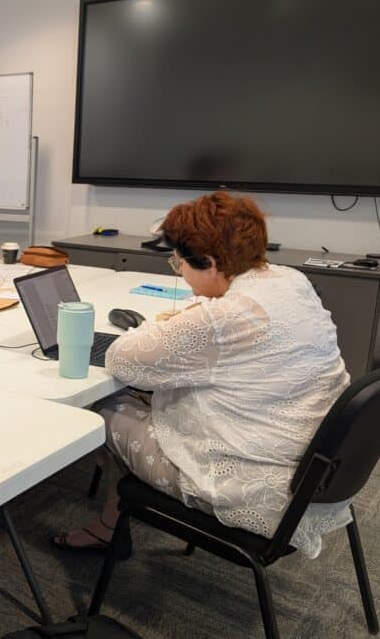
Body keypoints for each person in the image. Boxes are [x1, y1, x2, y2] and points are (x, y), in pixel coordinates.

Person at [52, 190, 351, 559]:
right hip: (314, 467)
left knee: (105, 406)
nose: (179, 271)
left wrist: (171, 327)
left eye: (179, 262)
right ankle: (111, 524)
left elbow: (121, 360)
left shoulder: (224, 317)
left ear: (209, 263)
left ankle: (109, 529)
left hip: (252, 487)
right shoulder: (289, 280)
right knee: (150, 397)